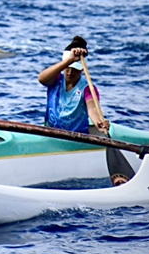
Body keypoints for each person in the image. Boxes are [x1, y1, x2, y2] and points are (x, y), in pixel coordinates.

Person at [38, 36, 134, 186]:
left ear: (82, 68)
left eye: (75, 69)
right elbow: (41, 79)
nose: (69, 72)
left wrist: (99, 123)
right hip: (50, 135)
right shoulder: (55, 79)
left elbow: (92, 109)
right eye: (67, 68)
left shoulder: (88, 88)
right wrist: (69, 61)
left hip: (76, 140)